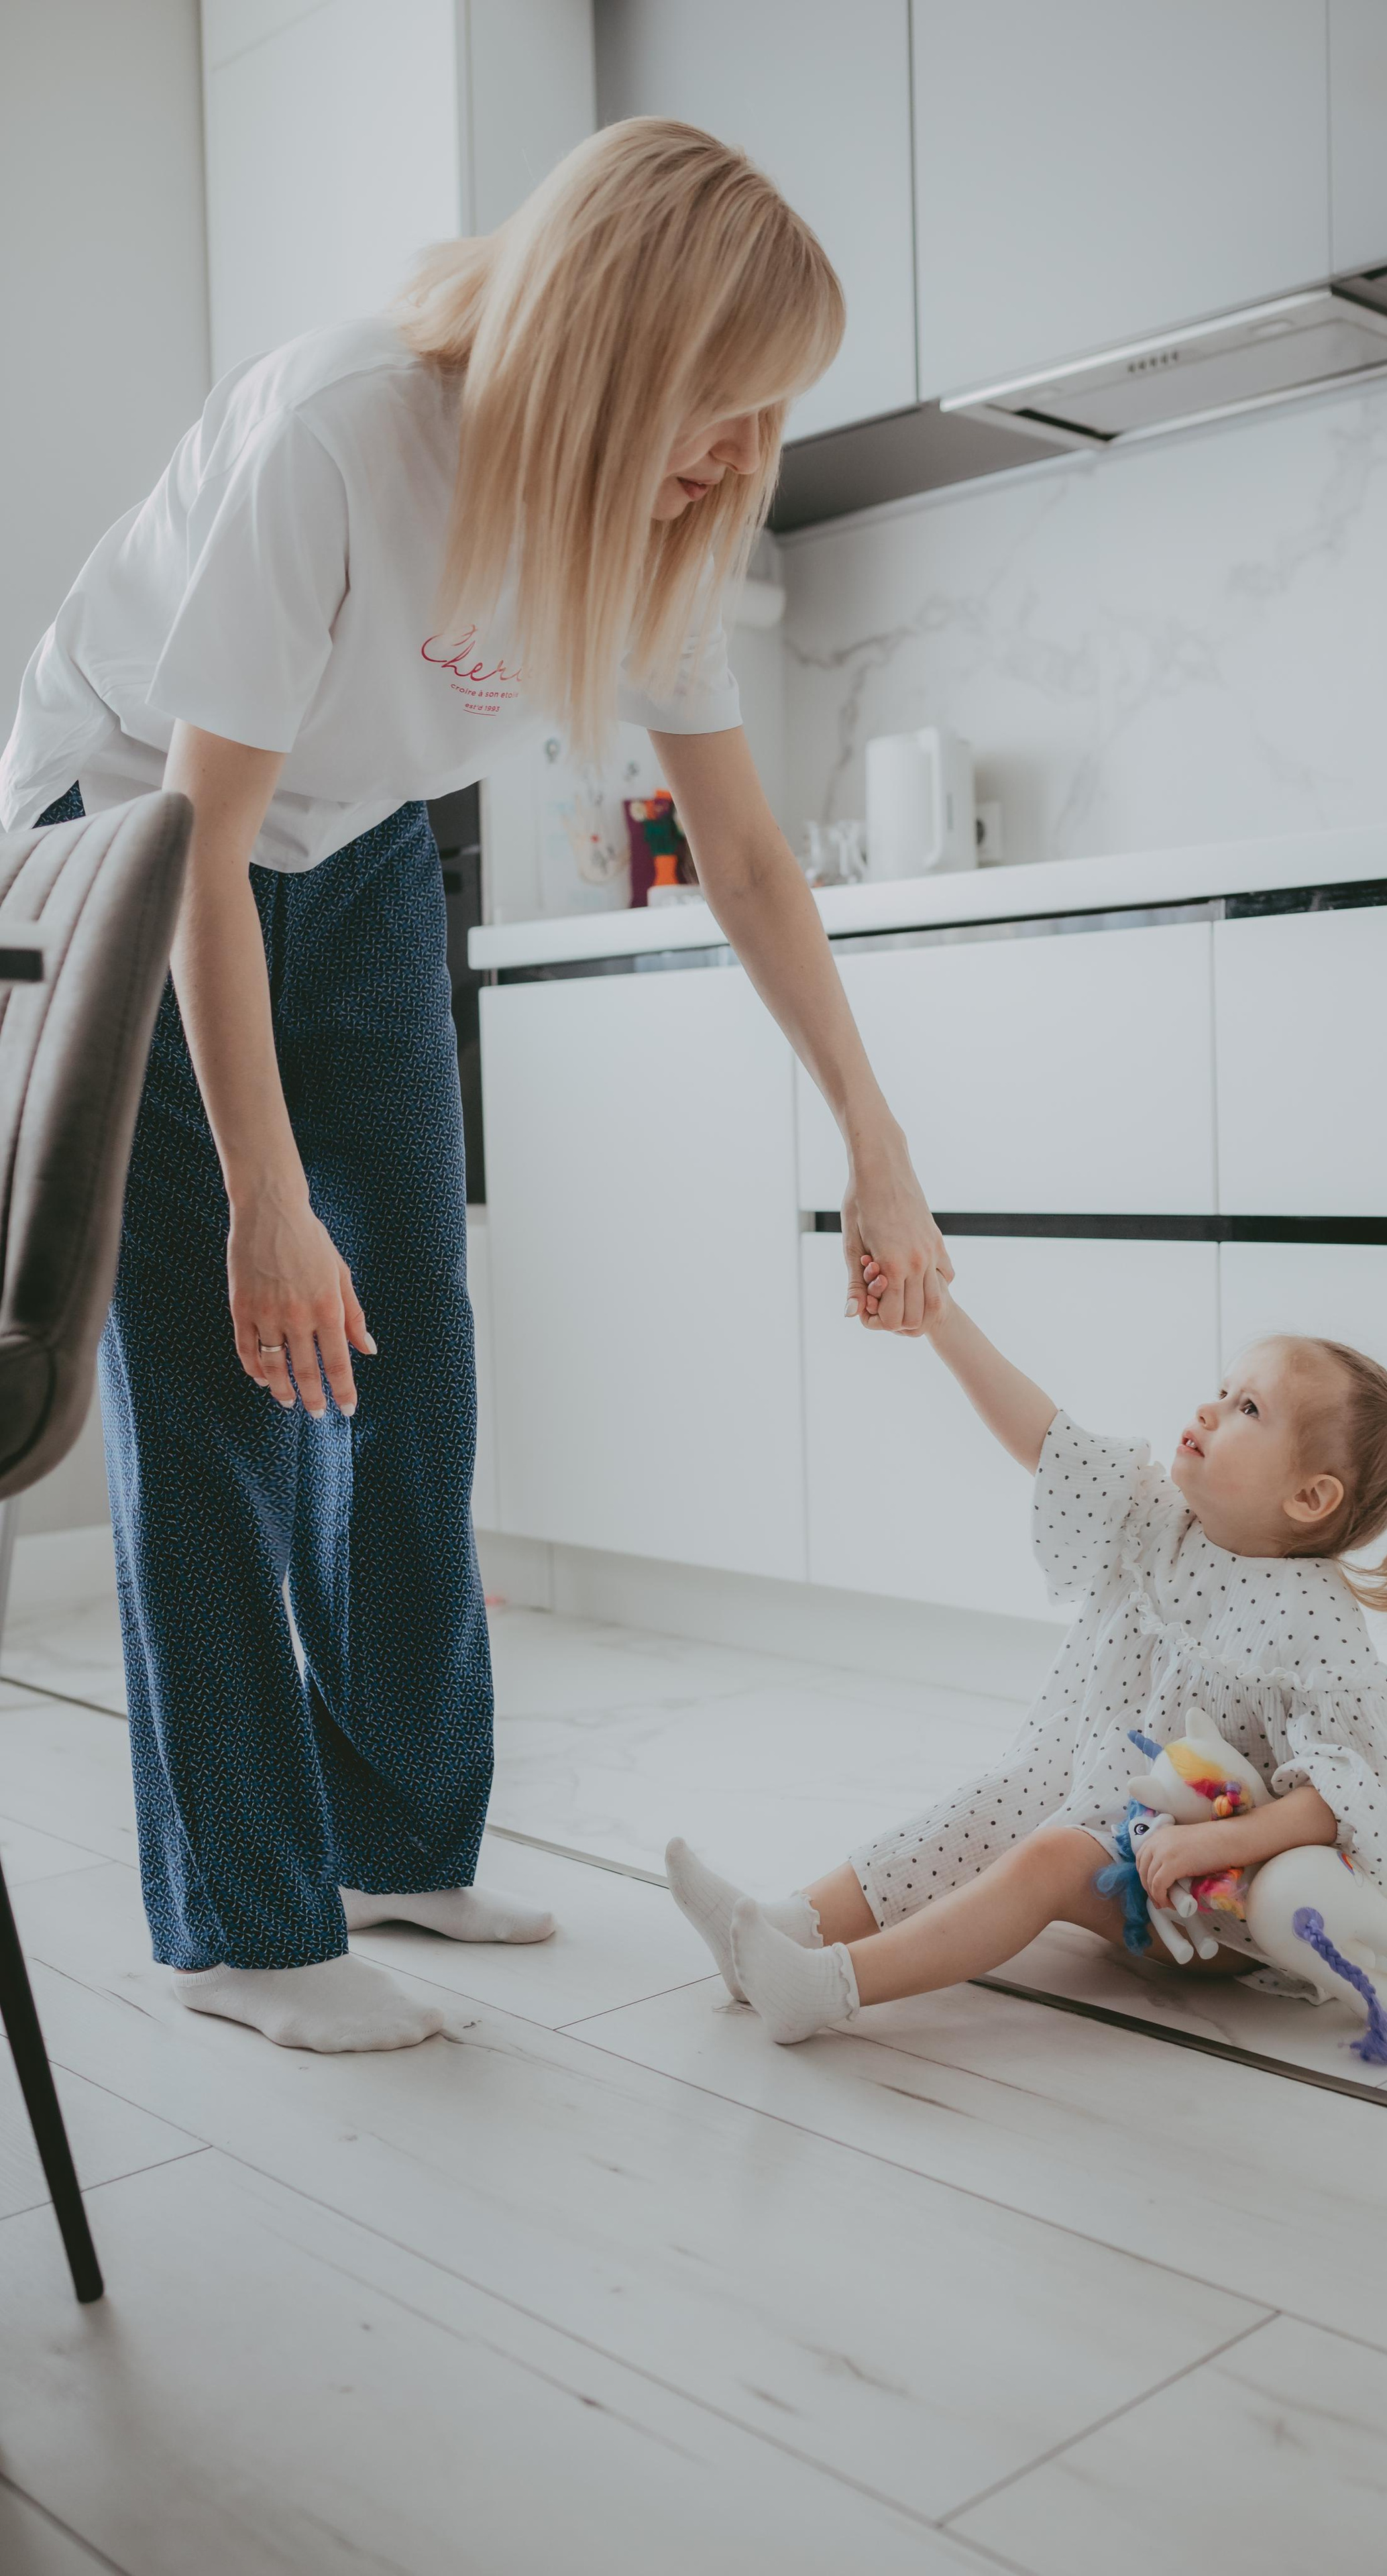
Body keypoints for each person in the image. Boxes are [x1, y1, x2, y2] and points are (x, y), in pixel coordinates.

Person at [0, 121, 950, 2054]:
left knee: (408, 1336)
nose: (746, 456)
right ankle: (254, 1934)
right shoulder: (349, 436)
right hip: (128, 834)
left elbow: (751, 861)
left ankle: (397, 1841)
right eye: (724, 400)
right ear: (614, 342)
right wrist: (263, 1194)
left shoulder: (663, 516)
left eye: (774, 414)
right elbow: (200, 830)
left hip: (343, 841)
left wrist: (878, 1139)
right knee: (221, 1377)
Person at [667, 1287, 1387, 2044]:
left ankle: (826, 1986)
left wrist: (1215, 1847)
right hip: (1122, 1824)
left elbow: (1354, 1788)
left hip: (1215, 1905)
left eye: (1247, 1409)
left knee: (1053, 1858)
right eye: (1223, 1391)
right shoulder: (1163, 1522)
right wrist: (940, 1319)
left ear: (1310, 1498)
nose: (1208, 1409)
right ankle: (780, 1930)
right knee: (998, 1798)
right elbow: (1047, 1441)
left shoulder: (1310, 1616)